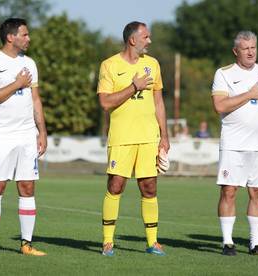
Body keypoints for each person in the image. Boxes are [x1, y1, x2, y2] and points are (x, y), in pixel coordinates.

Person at [97, 21, 169, 256]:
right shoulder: (109, 65)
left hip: (149, 138)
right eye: (146, 37)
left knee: (149, 187)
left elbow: (159, 102)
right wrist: (133, 86)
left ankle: (152, 242)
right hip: (121, 138)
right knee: (115, 186)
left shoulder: (153, 64)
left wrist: (164, 136)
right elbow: (105, 103)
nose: (150, 41)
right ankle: (108, 241)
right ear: (132, 40)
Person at [212, 31, 258, 256]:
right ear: (236, 51)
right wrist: (249, 93)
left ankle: (255, 244)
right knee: (229, 192)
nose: (251, 52)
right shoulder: (224, 74)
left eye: (253, 47)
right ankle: (228, 243)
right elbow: (220, 106)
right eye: (246, 48)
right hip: (233, 144)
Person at [0, 18, 47, 257]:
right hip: (2, 134)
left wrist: (42, 131)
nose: (29, 39)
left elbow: (35, 99)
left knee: (27, 186)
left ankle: (26, 244)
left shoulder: (30, 63)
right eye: (25, 35)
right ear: (11, 37)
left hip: (27, 133)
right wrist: (17, 83)